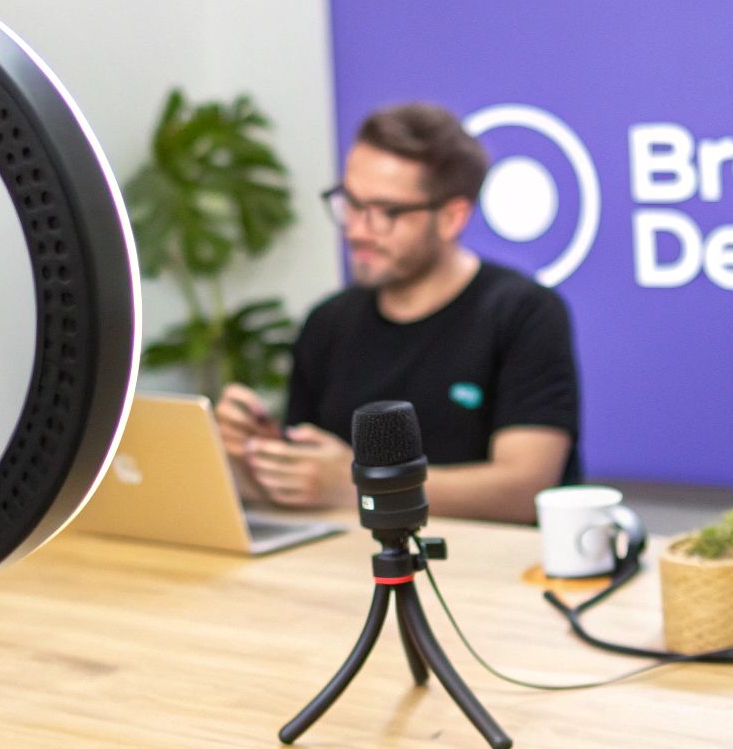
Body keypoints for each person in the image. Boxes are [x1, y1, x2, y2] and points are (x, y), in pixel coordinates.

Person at [217, 102, 580, 524]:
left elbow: (526, 490)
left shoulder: (522, 313)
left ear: (451, 218)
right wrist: (263, 455)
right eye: (351, 203)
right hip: (346, 564)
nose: (356, 229)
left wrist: (360, 484)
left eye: (386, 212)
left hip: (487, 571)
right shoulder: (328, 322)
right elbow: (315, 482)